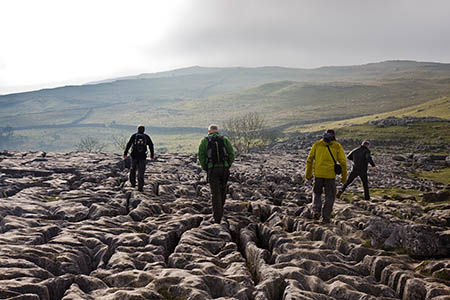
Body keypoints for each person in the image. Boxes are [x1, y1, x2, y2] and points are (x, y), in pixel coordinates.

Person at [305, 129, 347, 223]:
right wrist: (343, 178)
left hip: (318, 174)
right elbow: (343, 163)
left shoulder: (317, 144)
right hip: (330, 175)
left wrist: (308, 174)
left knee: (316, 193)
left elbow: (309, 159)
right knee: (330, 195)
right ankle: (326, 217)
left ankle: (316, 211)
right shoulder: (337, 146)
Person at [198, 124, 235, 224]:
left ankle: (217, 218)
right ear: (217, 131)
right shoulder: (224, 139)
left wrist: (206, 167)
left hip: (213, 169)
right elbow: (231, 153)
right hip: (224, 168)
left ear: (209, 131)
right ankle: (221, 210)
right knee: (223, 189)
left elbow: (201, 155)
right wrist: (228, 165)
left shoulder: (205, 141)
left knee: (215, 194)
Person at [123, 125, 154, 192]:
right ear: (144, 130)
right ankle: (140, 187)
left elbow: (129, 144)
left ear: (138, 129)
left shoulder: (134, 136)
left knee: (133, 169)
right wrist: (152, 155)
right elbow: (151, 145)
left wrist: (125, 153)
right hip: (142, 156)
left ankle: (133, 183)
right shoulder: (146, 137)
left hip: (134, 155)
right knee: (141, 171)